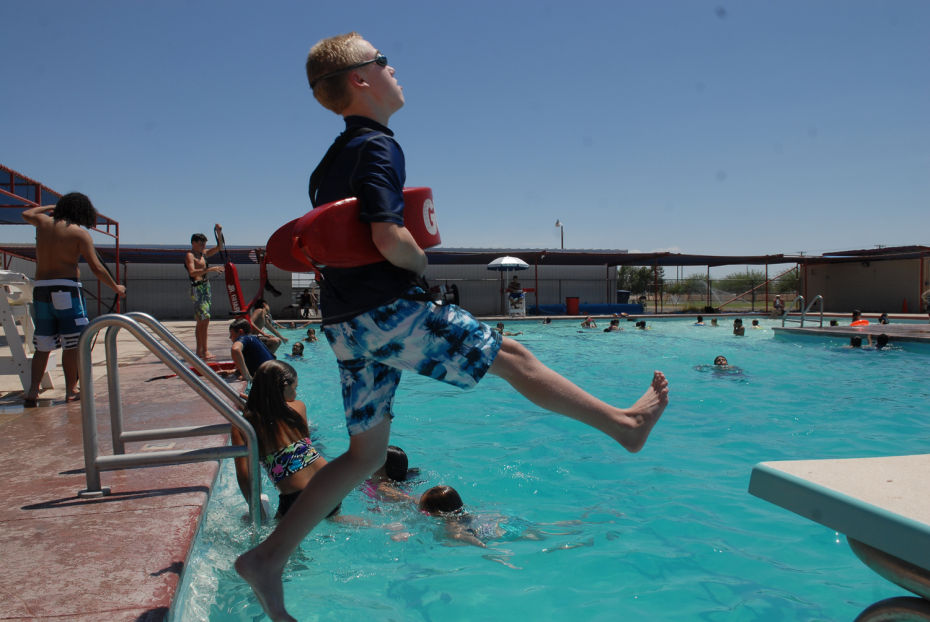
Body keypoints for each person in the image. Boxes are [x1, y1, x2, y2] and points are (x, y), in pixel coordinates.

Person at [234, 32, 669, 621]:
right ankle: (625, 425)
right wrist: (421, 259)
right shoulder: (380, 147)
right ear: (362, 78)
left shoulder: (327, 165)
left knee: (365, 456)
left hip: (343, 322)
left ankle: (269, 557)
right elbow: (389, 237)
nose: (396, 69)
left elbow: (330, 241)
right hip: (387, 309)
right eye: (385, 61)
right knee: (511, 356)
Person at [21, 193, 127, 405]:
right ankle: (71, 389)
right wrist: (116, 287)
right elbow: (97, 268)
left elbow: (27, 213)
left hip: (41, 289)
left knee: (43, 344)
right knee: (73, 343)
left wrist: (50, 206)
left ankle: (32, 390)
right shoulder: (79, 234)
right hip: (66, 290)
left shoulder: (42, 222)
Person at [230, 360, 343, 521]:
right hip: (330, 482)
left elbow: (244, 476)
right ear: (282, 386)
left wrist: (256, 509)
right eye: (294, 388)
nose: (295, 395)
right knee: (334, 520)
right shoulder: (298, 408)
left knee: (279, 543)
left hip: (298, 497)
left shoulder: (243, 427)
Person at [185, 225, 224, 360]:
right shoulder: (190, 255)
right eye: (201, 243)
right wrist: (209, 270)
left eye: (204, 244)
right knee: (202, 319)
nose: (203, 246)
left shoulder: (204, 254)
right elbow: (192, 272)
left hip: (206, 288)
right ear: (193, 243)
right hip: (197, 288)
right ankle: (201, 350)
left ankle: (202, 350)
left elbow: (220, 247)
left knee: (204, 320)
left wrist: (219, 233)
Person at [229, 318, 275, 383]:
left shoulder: (243, 338)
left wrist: (246, 376)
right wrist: (234, 371)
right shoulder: (254, 338)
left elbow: (235, 349)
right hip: (274, 372)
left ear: (240, 332)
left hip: (266, 378)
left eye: (231, 333)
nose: (230, 337)